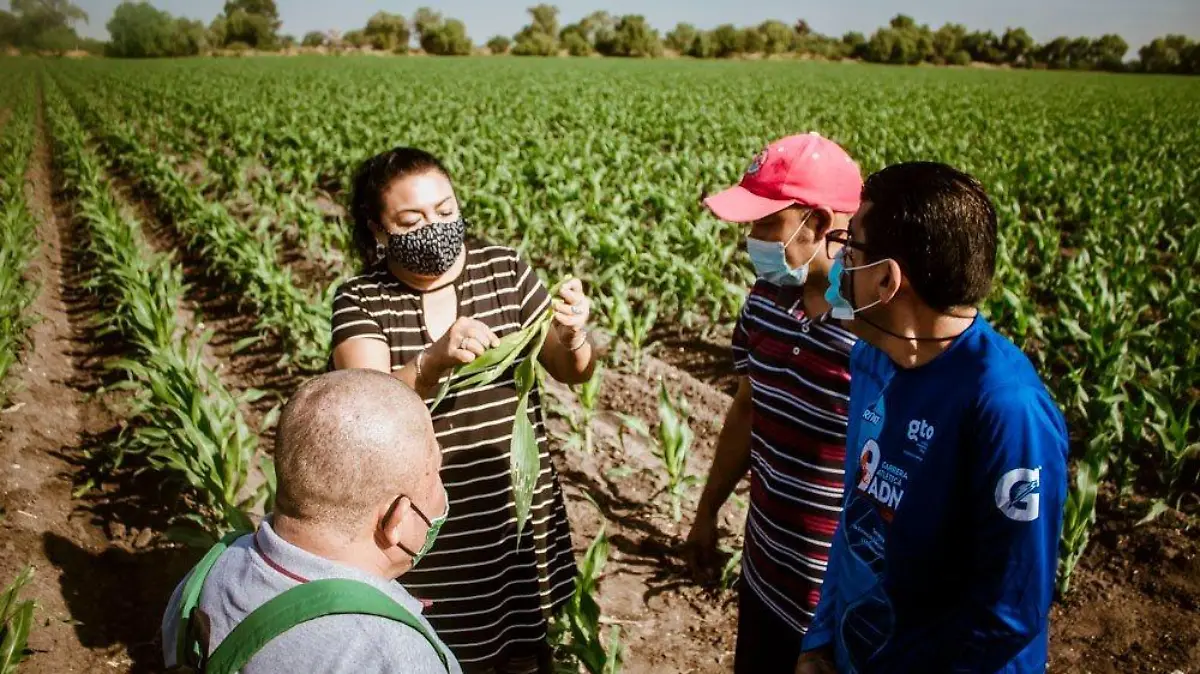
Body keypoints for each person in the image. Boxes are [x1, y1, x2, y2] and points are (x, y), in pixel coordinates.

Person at [330, 147, 597, 673]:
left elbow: (573, 370)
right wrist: (430, 363)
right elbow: (363, 404)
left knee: (526, 653)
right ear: (378, 228)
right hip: (425, 529)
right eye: (412, 220)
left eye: (446, 211)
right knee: (447, 656)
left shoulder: (505, 270)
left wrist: (573, 333)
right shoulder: (361, 299)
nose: (434, 227)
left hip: (514, 513)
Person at [797, 162, 1068, 673]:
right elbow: (856, 513)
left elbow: (1008, 615)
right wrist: (822, 637)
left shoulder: (1007, 411)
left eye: (849, 245)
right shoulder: (873, 358)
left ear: (886, 281)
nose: (835, 260)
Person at [685, 132, 863, 674]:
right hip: (764, 569)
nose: (752, 238)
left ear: (817, 223)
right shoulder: (763, 301)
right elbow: (748, 408)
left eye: (766, 223)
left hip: (839, 601)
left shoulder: (871, 332)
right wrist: (707, 510)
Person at [161, 369, 462, 673]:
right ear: (394, 520)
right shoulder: (392, 655)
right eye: (435, 472)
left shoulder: (205, 577)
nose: (441, 487)